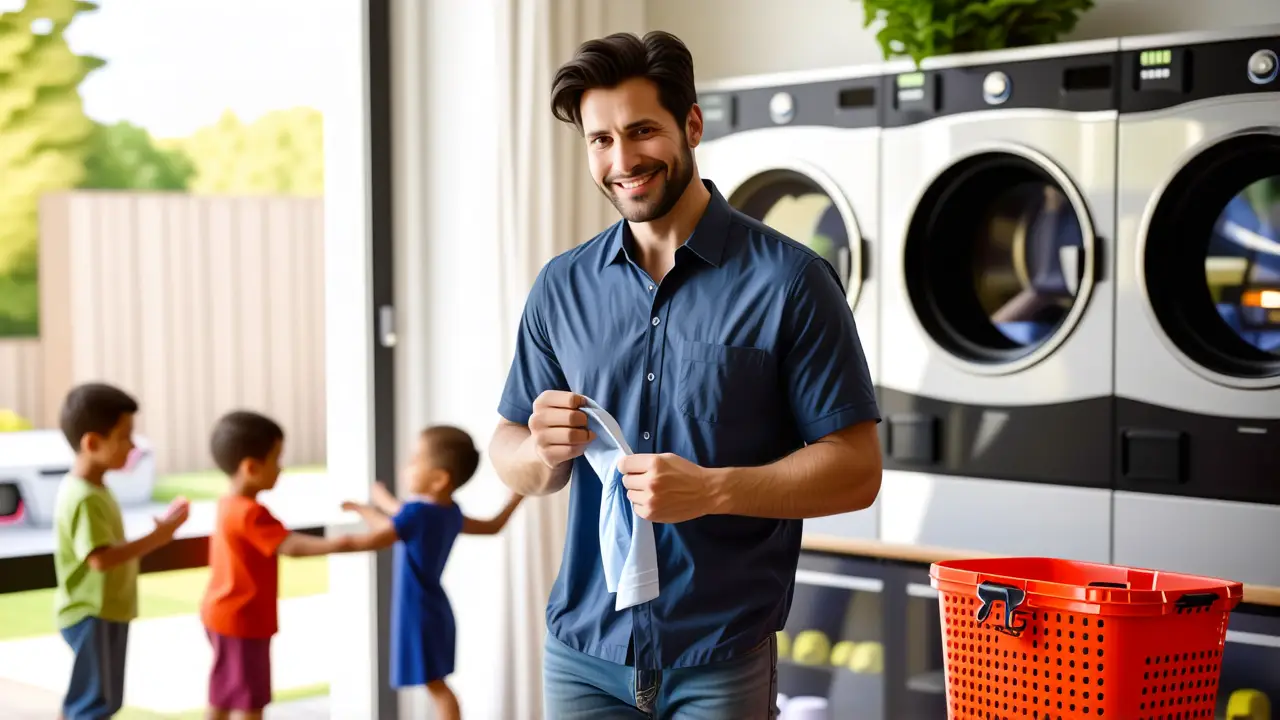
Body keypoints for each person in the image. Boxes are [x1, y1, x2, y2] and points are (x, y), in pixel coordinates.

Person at [488, 30, 883, 719]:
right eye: (600, 140)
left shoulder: (791, 283)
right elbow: (508, 448)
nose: (622, 159)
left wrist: (711, 491)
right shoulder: (561, 287)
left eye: (641, 131)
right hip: (583, 655)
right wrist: (539, 453)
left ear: (691, 124)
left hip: (719, 656)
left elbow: (856, 470)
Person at [199, 410, 388, 720]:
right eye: (276, 460)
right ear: (250, 467)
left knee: (222, 693)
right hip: (243, 620)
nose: (280, 469)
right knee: (249, 700)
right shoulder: (251, 513)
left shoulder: (227, 505)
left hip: (221, 614)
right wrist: (349, 543)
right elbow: (293, 547)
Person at [340, 425, 525, 720]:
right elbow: (493, 526)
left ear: (439, 479)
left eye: (415, 459)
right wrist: (517, 496)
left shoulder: (417, 515)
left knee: (437, 688)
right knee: (437, 685)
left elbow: (385, 530)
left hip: (418, 610)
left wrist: (333, 539)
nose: (407, 465)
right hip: (432, 608)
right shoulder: (447, 512)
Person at [53, 382, 191, 720]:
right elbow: (100, 559)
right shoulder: (84, 497)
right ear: (92, 442)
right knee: (93, 705)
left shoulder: (95, 490)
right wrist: (159, 537)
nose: (132, 445)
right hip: (92, 612)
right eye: (125, 435)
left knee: (98, 699)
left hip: (106, 611)